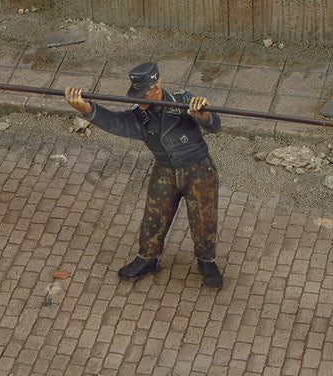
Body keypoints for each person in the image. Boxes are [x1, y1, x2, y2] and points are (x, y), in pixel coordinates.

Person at [64, 61, 223, 287]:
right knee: (154, 217)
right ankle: (147, 257)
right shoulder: (140, 116)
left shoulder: (183, 102)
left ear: (157, 86)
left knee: (203, 220)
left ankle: (207, 261)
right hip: (165, 171)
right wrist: (87, 109)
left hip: (197, 170)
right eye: (136, 95)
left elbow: (215, 126)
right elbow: (116, 122)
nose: (138, 100)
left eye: (143, 94)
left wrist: (204, 115)